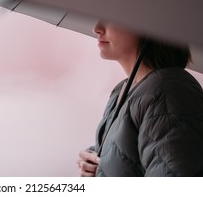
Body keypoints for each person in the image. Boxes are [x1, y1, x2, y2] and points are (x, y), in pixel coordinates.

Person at [77, 21, 203, 177]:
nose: (96, 29)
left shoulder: (166, 94)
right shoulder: (124, 89)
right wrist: (96, 163)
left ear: (149, 28)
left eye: (111, 18)